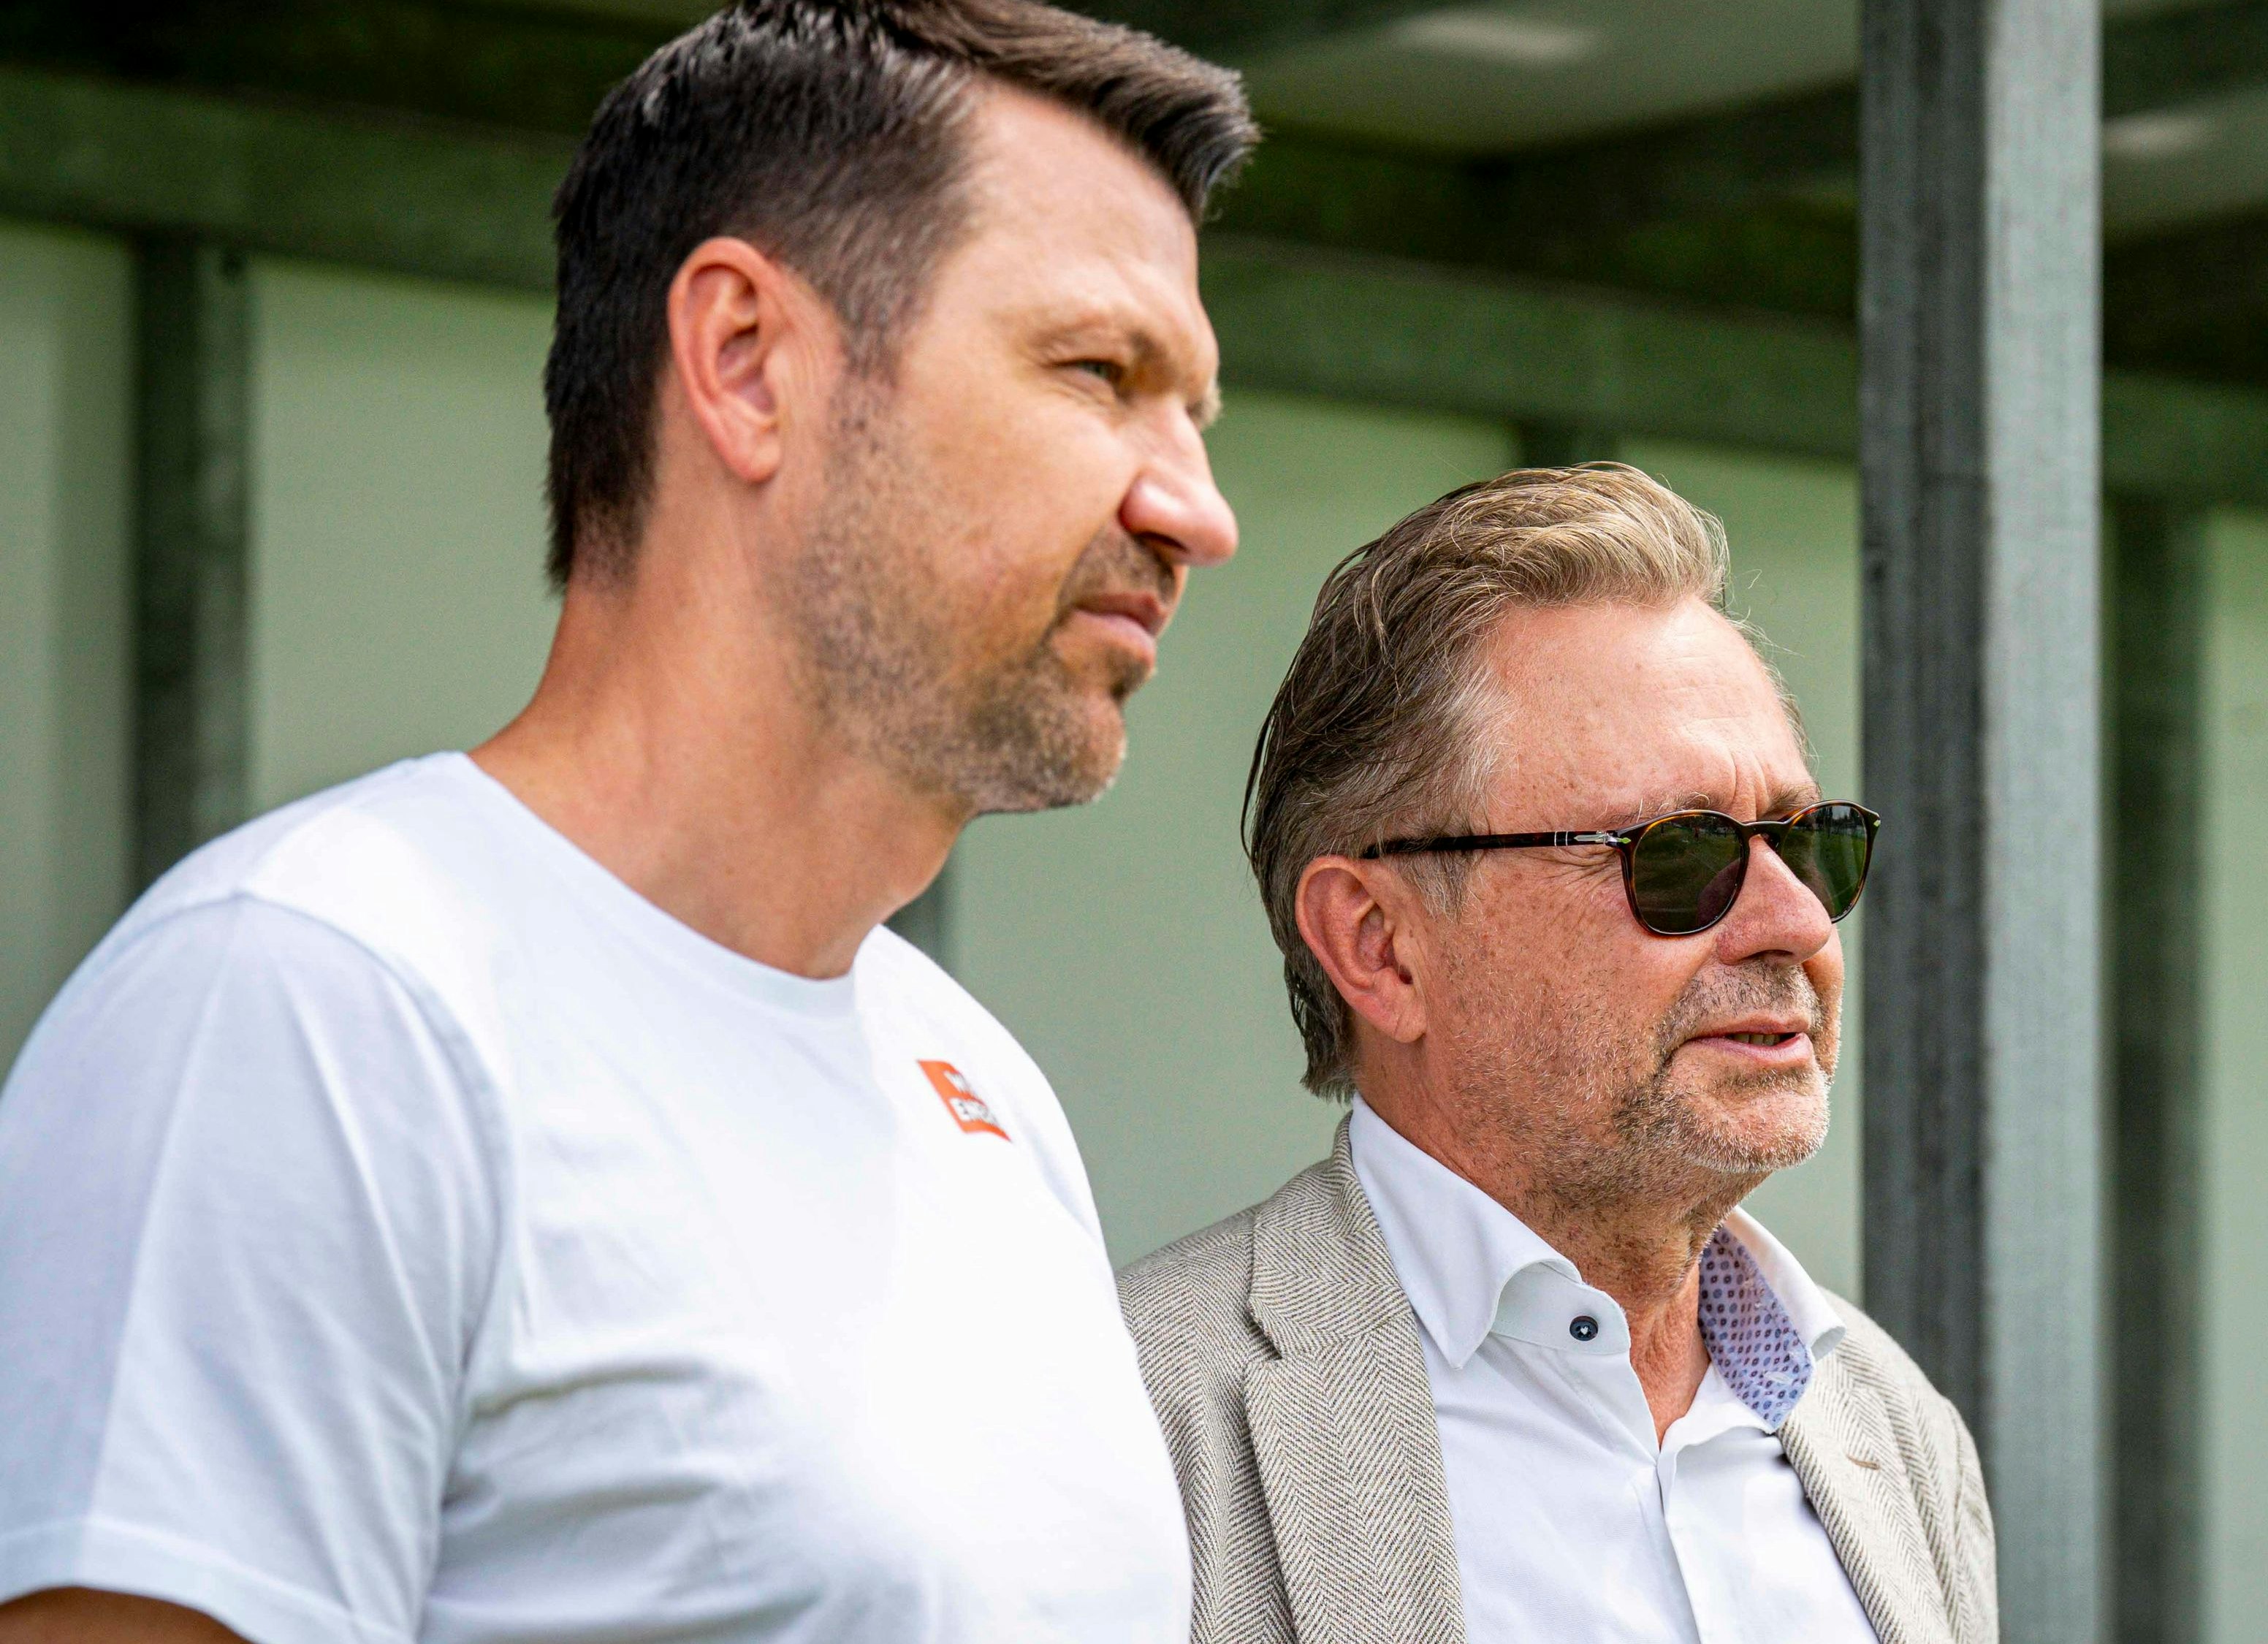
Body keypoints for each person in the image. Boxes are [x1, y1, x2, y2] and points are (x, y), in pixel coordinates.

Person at [0, 4, 1251, 1640]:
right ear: (744, 363)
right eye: (1101, 374)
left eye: (1197, 420)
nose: (1195, 513)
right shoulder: (315, 1008)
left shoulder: (983, 1098)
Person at [1119, 466, 1998, 1644]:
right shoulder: (1129, 1423)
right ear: (1381, 946)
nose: (1797, 922)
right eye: (1680, 855)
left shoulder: (1889, 1423)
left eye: (1809, 845)